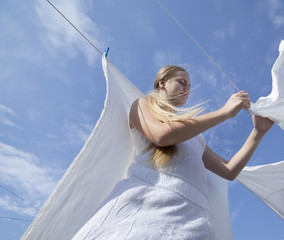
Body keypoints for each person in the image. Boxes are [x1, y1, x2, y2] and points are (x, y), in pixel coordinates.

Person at [72, 65, 273, 240]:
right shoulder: (142, 105)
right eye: (182, 82)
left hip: (194, 220)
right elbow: (162, 135)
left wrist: (259, 132)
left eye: (189, 86)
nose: (187, 89)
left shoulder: (196, 136)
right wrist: (224, 113)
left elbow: (229, 171)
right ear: (162, 83)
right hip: (146, 206)